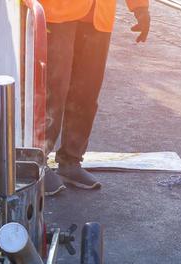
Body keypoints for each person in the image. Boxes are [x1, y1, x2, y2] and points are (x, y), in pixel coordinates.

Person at [41, 0, 151, 196]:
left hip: (99, 15)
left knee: (87, 91)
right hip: (56, 11)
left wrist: (140, 7)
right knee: (53, 90)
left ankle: (71, 161)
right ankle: (37, 162)